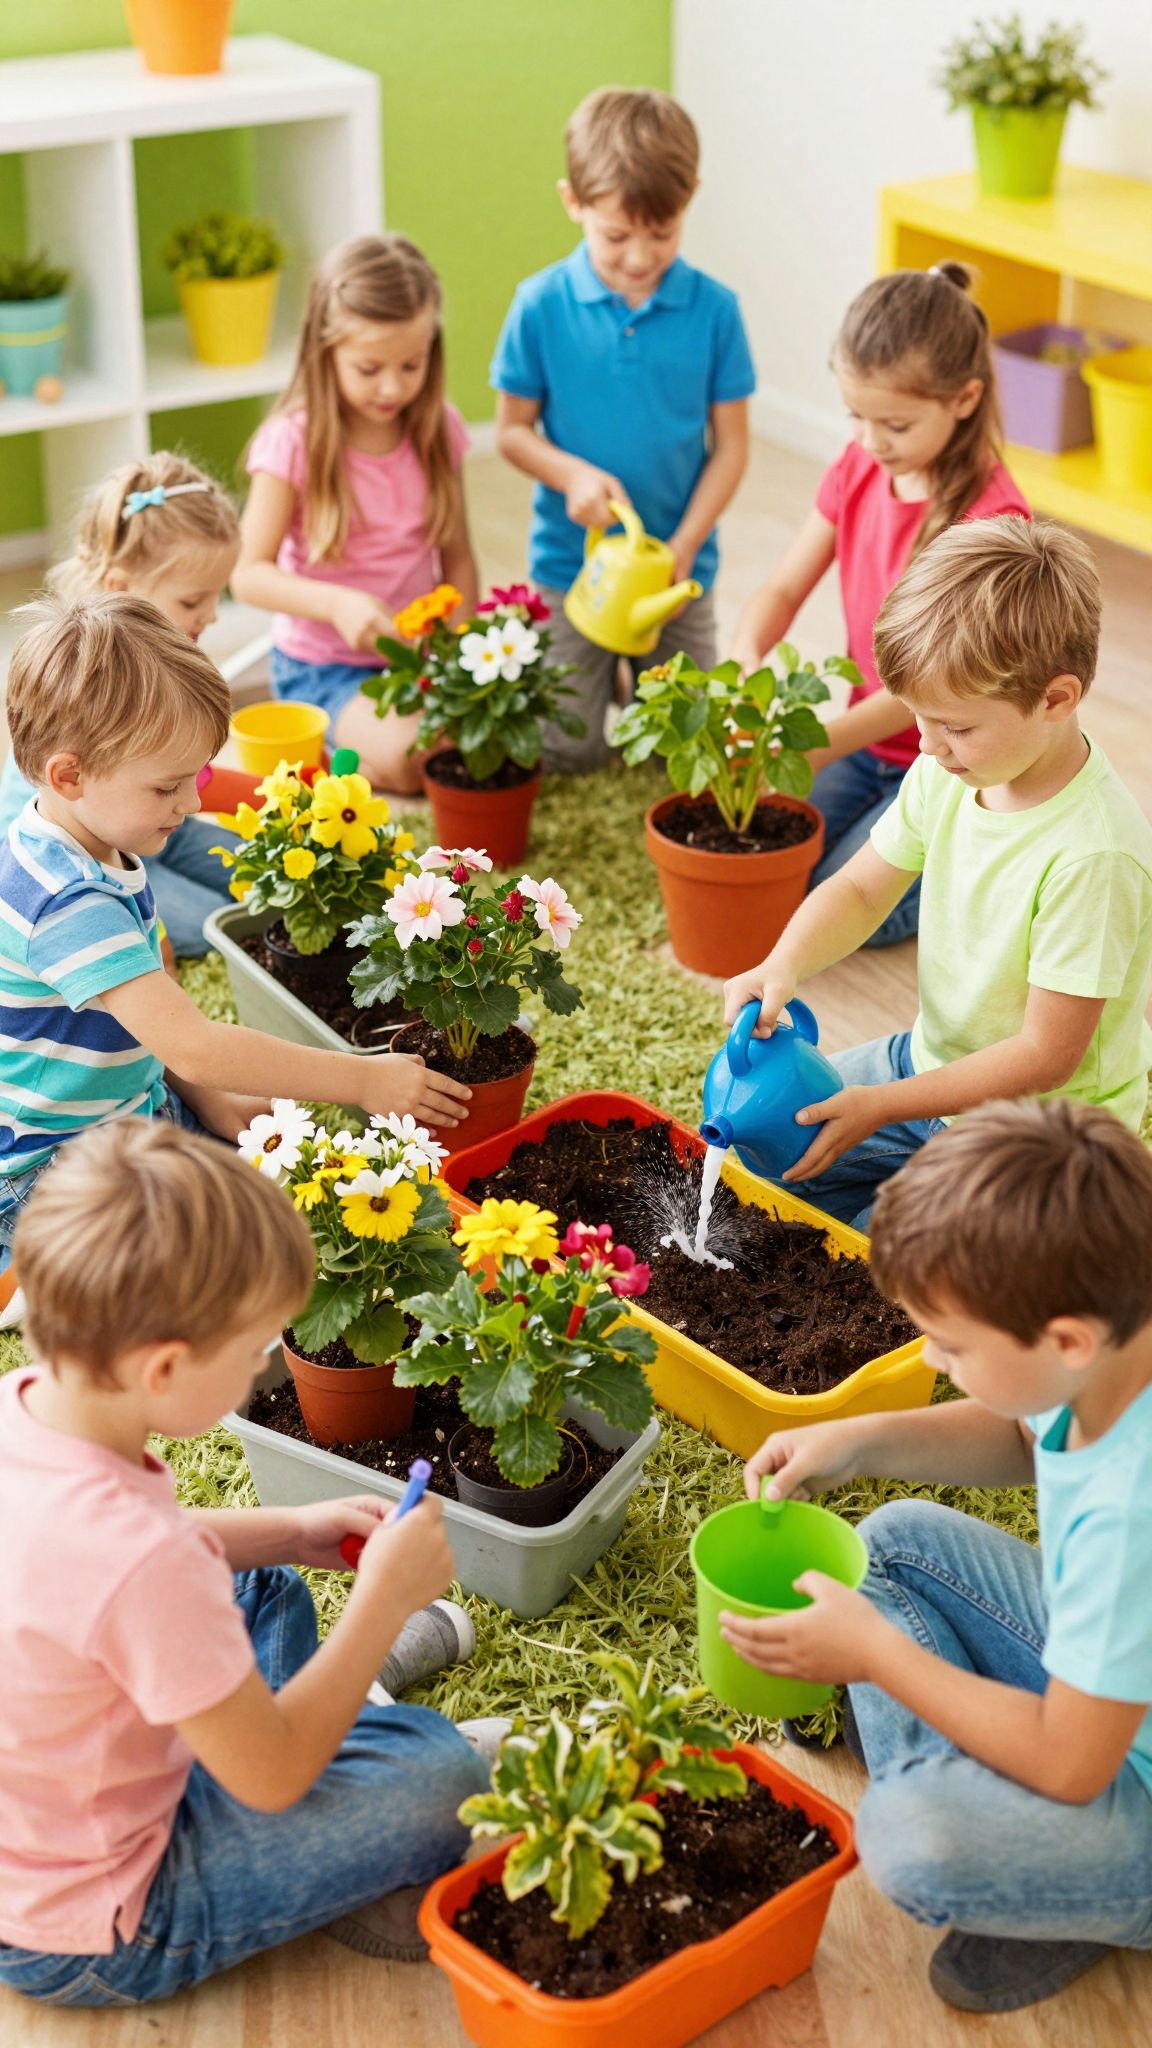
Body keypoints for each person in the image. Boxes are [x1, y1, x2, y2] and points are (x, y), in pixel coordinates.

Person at [0, 1118, 502, 2005]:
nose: (264, 1366)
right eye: (253, 1352)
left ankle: (338, 1708)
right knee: (440, 1777)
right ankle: (359, 1708)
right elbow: (268, 1779)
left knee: (259, 1581)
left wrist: (292, 1531)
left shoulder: (28, 1402)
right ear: (164, 1369)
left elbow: (99, 1567)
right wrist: (380, 1605)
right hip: (104, 1916)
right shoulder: (143, 1564)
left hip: (52, 1806)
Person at [729, 1100, 1152, 2015]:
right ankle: (995, 1800)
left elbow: (1072, 1764)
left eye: (953, 1345)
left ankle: (1064, 1892)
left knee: (911, 1836)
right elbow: (1024, 1434)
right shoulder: (1113, 1340)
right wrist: (858, 1440)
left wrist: (878, 1658)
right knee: (891, 1544)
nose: (931, 1356)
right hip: (1114, 1696)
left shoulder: (1133, 1512)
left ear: (1067, 1340)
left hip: (1116, 1770)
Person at [0, 592, 471, 1265]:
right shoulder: (66, 900)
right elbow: (194, 1045)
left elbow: (160, 1034)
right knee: (229, 1262)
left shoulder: (95, 839)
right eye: (166, 788)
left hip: (132, 1113)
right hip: (52, 1177)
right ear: (70, 776)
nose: (193, 803)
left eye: (193, 778)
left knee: (282, 1203)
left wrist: (208, 1099)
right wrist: (362, 1079)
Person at [722, 516, 1152, 1232]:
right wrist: (782, 964)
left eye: (956, 726)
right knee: (769, 1151)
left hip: (1044, 1136)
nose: (928, 746)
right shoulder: (947, 771)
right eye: (917, 717)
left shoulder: (1095, 856)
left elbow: (1045, 1056)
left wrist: (881, 1107)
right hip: (927, 1064)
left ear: (1056, 699)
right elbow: (862, 889)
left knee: (912, 1263)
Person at [730, 264, 1030, 946]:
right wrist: (747, 655)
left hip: (952, 764)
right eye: (855, 417)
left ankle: (990, 865)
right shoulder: (860, 466)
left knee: (845, 908)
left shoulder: (990, 524)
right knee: (776, 861)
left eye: (894, 423)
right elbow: (783, 588)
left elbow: (933, 688)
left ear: (965, 398)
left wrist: (816, 747)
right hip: (871, 749)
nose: (870, 440)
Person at [491, 86, 755, 771]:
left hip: (677, 570)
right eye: (615, 236)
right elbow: (511, 431)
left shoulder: (716, 312)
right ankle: (608, 677)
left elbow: (732, 445)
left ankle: (626, 679)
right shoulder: (539, 305)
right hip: (570, 567)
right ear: (572, 202)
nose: (639, 257)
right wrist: (571, 475)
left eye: (661, 234)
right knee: (567, 752)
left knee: (684, 751)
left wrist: (684, 546)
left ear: (689, 199)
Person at [234, 234, 479, 792]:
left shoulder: (439, 429)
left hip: (417, 662)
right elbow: (247, 574)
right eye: (369, 368)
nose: (392, 386)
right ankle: (318, 756)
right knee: (415, 758)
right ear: (325, 353)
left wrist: (455, 652)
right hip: (324, 668)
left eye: (411, 365)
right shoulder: (292, 441)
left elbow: (460, 560)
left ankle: (346, 757)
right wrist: (336, 603)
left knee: (492, 738)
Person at [0, 453, 242, 957]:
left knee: (259, 878)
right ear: (120, 587)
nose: (211, 616)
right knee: (214, 924)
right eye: (192, 601)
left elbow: (187, 781)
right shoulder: (90, 678)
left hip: (151, 816)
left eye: (216, 597)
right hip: (87, 845)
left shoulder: (166, 659)